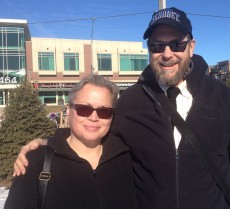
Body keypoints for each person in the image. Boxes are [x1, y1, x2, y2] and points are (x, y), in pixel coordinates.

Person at [13, 7, 230, 209]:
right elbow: (94, 134)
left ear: (191, 47)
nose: (167, 53)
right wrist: (45, 144)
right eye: (157, 46)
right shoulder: (131, 101)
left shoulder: (220, 96)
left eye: (177, 44)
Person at [5, 75, 137, 209]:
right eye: (84, 109)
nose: (94, 117)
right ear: (68, 110)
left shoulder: (127, 158)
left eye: (104, 111)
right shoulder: (36, 161)